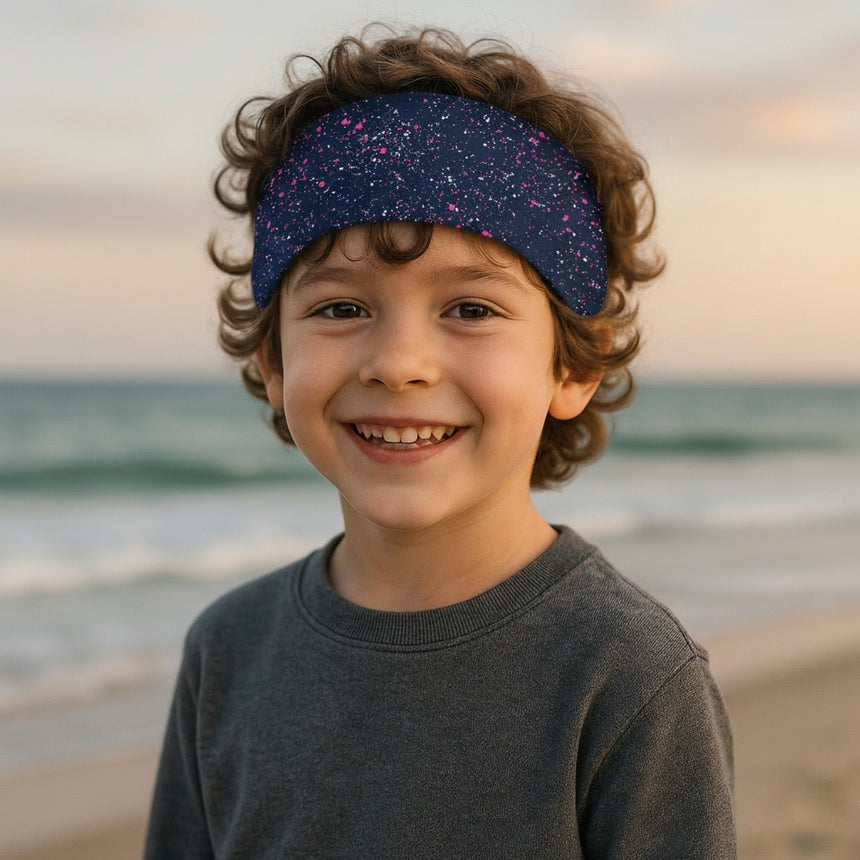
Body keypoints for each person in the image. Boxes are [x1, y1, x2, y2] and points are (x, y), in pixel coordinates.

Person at [145, 26, 735, 858]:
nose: (399, 365)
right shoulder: (228, 652)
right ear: (274, 361)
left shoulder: (627, 673)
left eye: (471, 309)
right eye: (341, 308)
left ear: (574, 364)